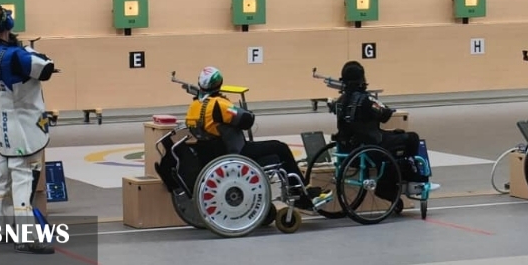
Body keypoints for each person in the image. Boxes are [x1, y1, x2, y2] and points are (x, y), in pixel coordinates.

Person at [185, 66, 332, 210]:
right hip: (236, 152)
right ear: (219, 83)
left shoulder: (193, 106)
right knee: (280, 148)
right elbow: (246, 119)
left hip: (213, 156)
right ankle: (302, 192)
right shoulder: (219, 104)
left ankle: (297, 192)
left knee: (274, 152)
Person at [0, 5, 56, 254]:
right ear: (7, 26)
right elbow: (46, 68)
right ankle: (27, 237)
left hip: (1, 126)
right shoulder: (16, 55)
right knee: (23, 179)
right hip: (23, 128)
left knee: (2, 178)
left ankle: (1, 229)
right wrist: (27, 49)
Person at [329, 61, 434, 202]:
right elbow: (385, 115)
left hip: (348, 149)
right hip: (371, 147)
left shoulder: (339, 101)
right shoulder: (366, 100)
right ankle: (399, 181)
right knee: (412, 138)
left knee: (392, 139)